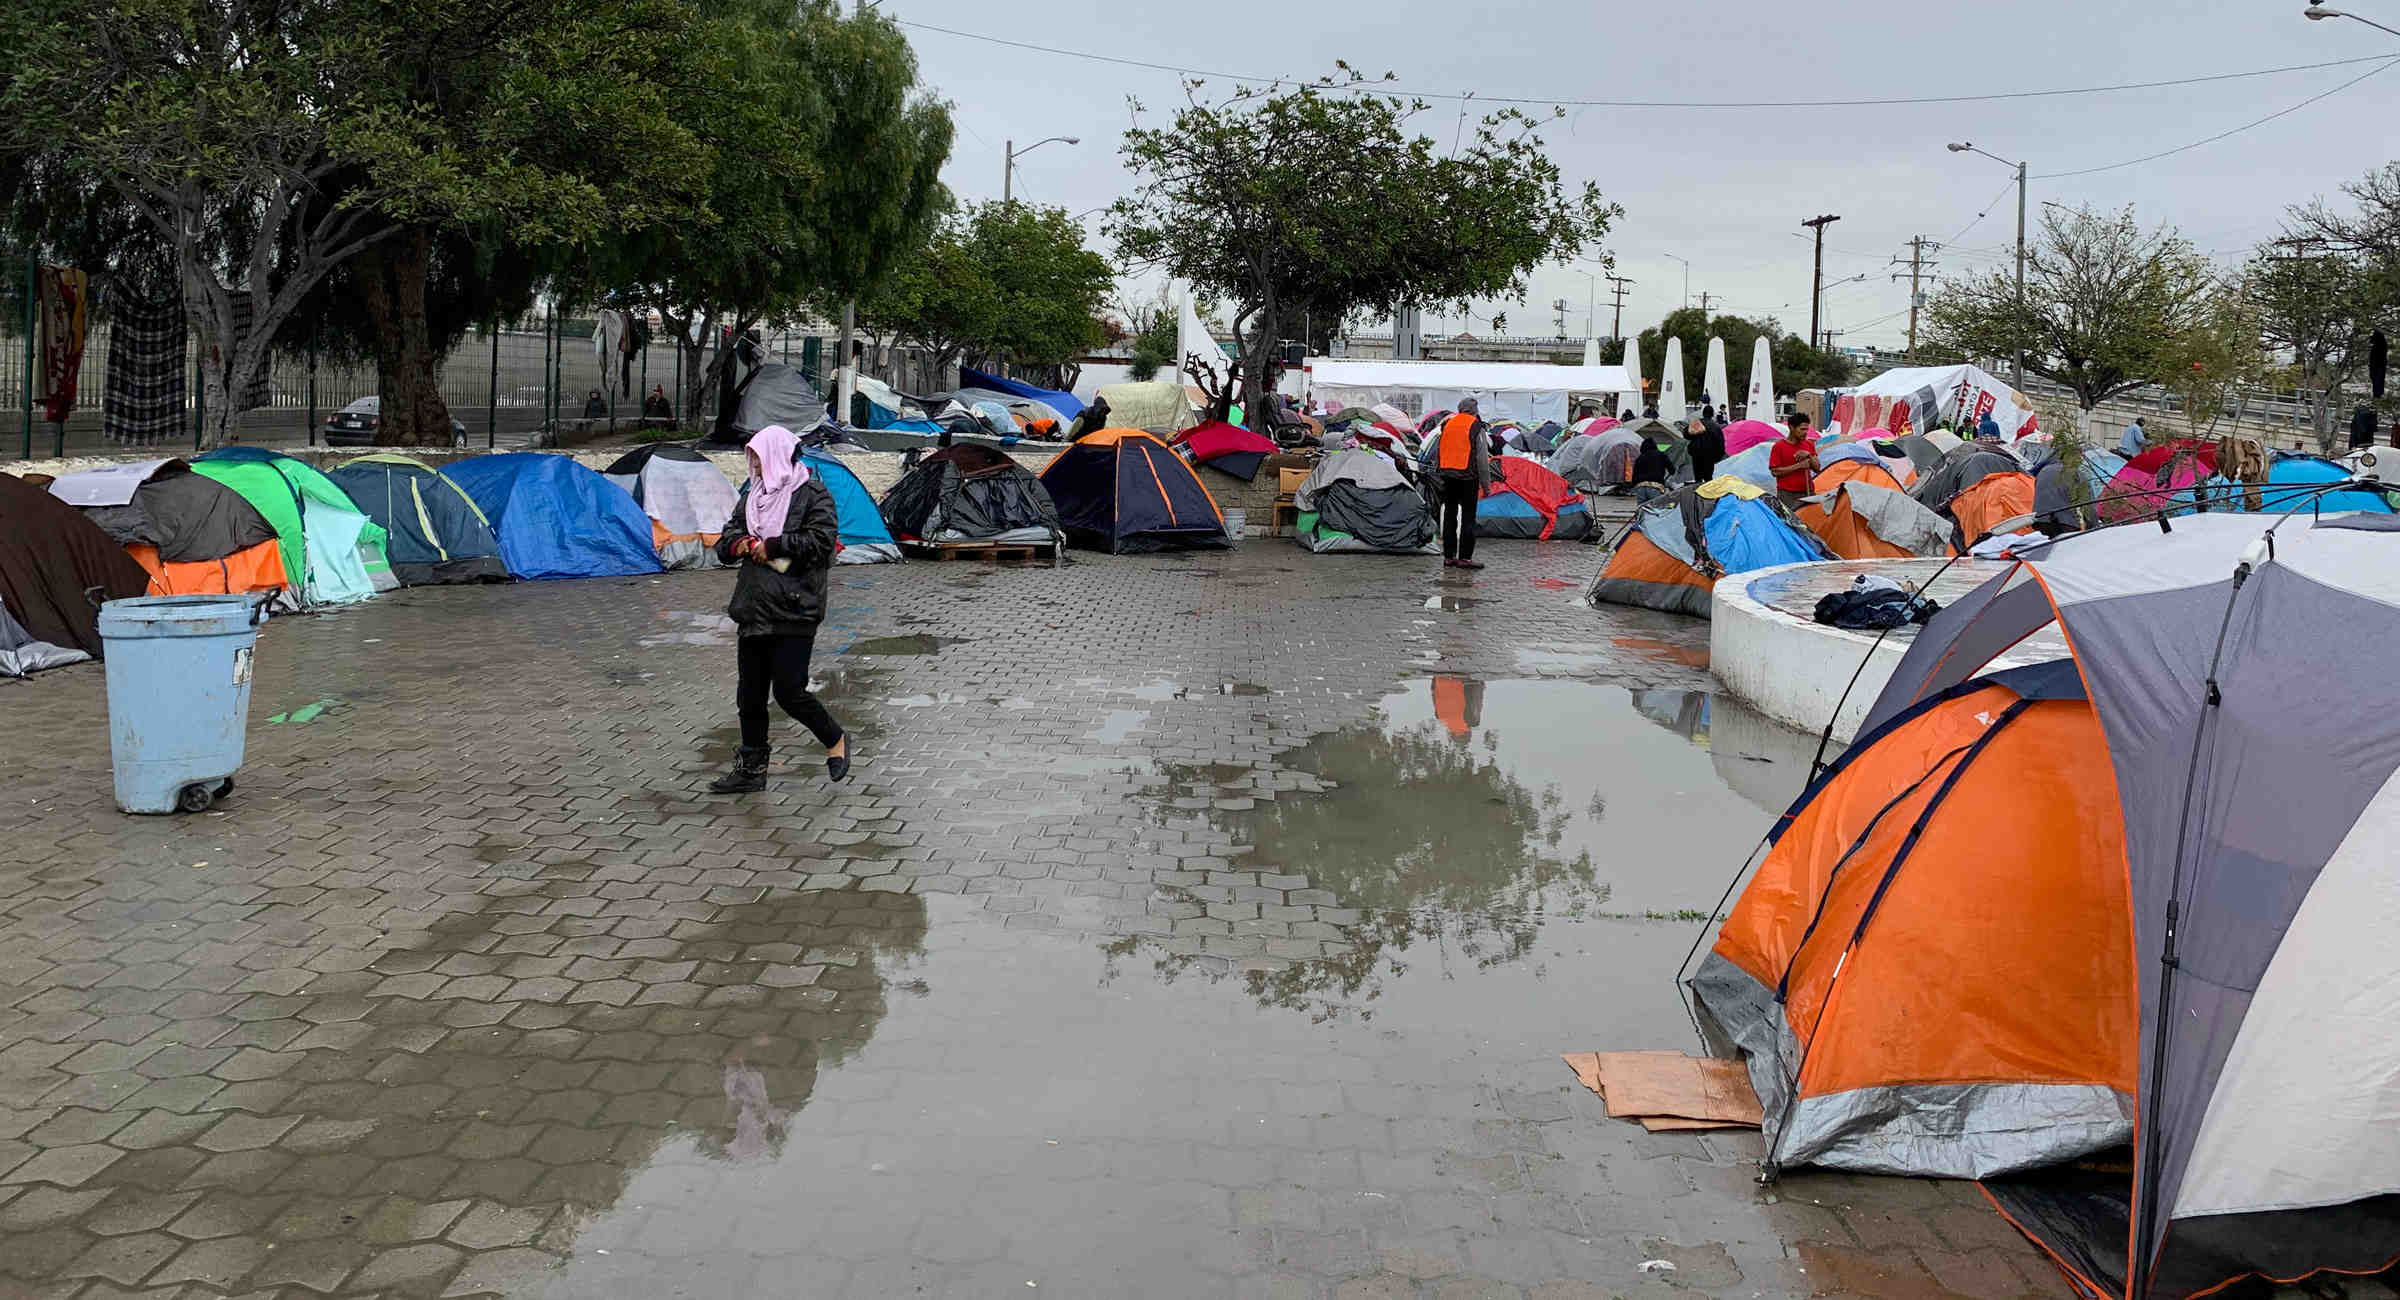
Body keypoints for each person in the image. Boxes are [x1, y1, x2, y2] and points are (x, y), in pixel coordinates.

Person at [709, 425, 851, 794]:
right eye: (750, 456)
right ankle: (751, 770)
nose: (753, 463)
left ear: (776, 455)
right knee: (750, 695)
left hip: (795, 606)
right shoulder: (753, 496)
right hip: (754, 605)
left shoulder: (813, 494)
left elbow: (821, 543)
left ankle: (835, 738)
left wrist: (773, 546)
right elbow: (725, 541)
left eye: (758, 456)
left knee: (790, 691)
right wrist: (739, 545)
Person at [1433, 397, 1491, 570]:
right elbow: (1482, 459)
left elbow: (1439, 450)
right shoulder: (1476, 426)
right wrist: (1486, 485)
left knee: (1450, 515)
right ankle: (1465, 558)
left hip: (1448, 476)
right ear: (1475, 410)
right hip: (1468, 477)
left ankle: (1449, 556)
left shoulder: (1447, 424)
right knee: (1468, 518)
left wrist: (1440, 470)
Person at [1769, 412, 1820, 510]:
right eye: (1802, 429)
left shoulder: (1808, 444)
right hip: (1788, 495)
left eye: (1807, 429)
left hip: (1808, 491)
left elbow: (1817, 468)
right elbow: (1775, 472)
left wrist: (1809, 456)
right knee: (1790, 523)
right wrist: (1798, 466)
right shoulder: (1778, 447)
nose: (1805, 432)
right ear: (1791, 428)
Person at [1630, 436, 1674, 504]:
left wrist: (1633, 485)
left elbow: (1634, 474)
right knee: (1656, 509)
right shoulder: (1661, 455)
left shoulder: (1640, 457)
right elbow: (1672, 470)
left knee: (1642, 510)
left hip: (1640, 487)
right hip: (1656, 486)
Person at [1688, 410, 1726, 484]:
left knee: (1697, 477)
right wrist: (1719, 456)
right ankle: (1707, 493)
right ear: (1712, 415)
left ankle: (1697, 491)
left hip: (1696, 454)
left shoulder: (1696, 423)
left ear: (1703, 414)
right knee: (1708, 477)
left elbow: (1687, 434)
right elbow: (1720, 442)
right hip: (1710, 455)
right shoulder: (1715, 426)